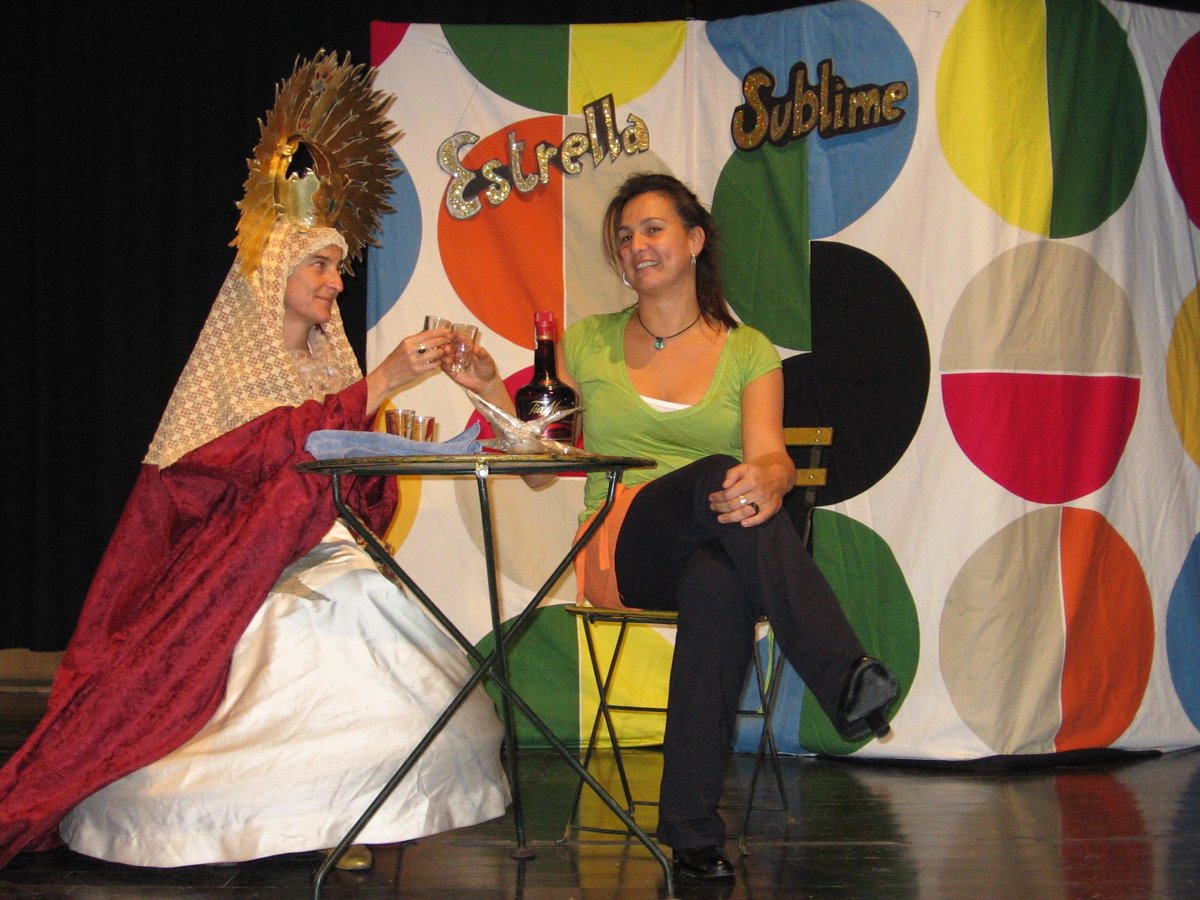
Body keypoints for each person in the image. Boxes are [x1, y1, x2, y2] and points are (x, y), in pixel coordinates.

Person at [0, 55, 509, 871]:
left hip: (316, 554)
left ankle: (348, 814)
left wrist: (383, 451)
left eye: (338, 266)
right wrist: (375, 390)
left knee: (367, 597)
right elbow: (225, 480)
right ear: (276, 270)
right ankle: (278, 818)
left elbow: (348, 497)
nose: (335, 282)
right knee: (340, 610)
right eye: (320, 264)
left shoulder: (331, 368)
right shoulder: (230, 370)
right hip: (234, 574)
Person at [448, 172, 898, 883]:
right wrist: (484, 389)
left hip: (720, 542)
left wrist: (771, 479)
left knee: (721, 584)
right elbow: (538, 471)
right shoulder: (588, 344)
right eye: (625, 236)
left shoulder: (748, 350)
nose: (637, 245)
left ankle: (691, 834)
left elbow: (771, 458)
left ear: (694, 241)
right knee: (717, 474)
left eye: (653, 229)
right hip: (619, 546)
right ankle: (842, 672)